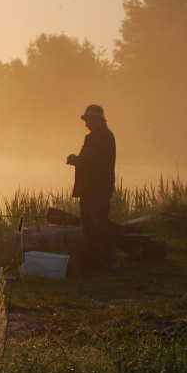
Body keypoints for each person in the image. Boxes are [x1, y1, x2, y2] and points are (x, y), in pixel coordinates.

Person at [66, 104, 119, 272]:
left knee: (101, 227)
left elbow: (93, 162)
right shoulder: (93, 137)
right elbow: (88, 161)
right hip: (88, 189)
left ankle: (111, 263)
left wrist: (74, 159)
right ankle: (95, 263)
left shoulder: (105, 137)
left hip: (98, 189)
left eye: (88, 120)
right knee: (89, 228)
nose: (86, 124)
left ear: (97, 119)